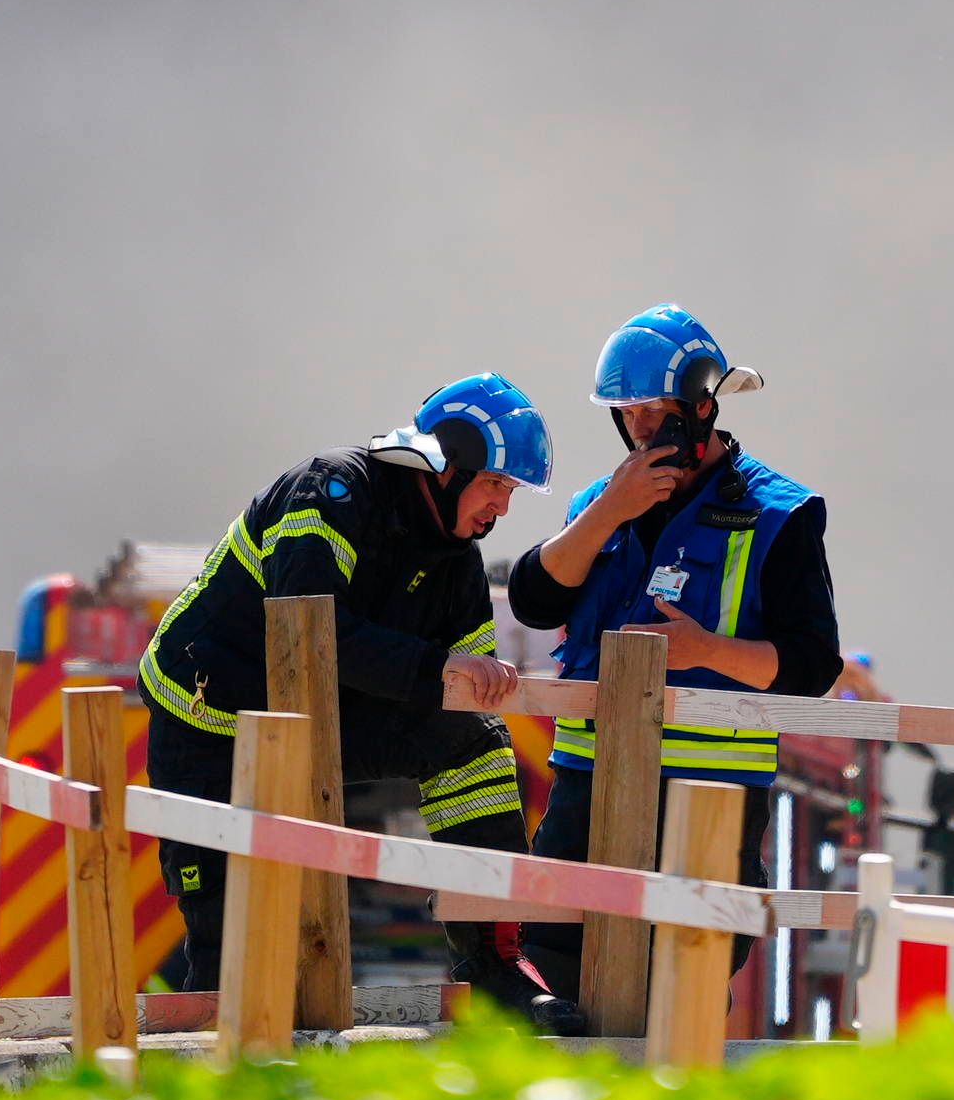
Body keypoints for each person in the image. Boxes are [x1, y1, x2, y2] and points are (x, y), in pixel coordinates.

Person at [134, 373, 554, 1022]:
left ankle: (494, 966)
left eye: (510, 493)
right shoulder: (330, 495)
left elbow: (457, 692)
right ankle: (214, 1086)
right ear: (449, 464)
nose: (502, 509)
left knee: (471, 742)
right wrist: (441, 668)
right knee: (233, 957)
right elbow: (308, 634)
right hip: (210, 729)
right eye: (496, 485)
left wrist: (472, 682)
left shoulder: (458, 564)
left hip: (318, 719)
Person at [507, 304, 834, 1006]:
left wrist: (704, 650)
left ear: (703, 404)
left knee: (681, 992)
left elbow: (813, 666)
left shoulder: (780, 514)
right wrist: (606, 515)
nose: (641, 431)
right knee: (553, 975)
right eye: (627, 415)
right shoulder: (599, 504)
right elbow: (537, 601)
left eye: (656, 412)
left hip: (708, 797)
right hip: (587, 788)